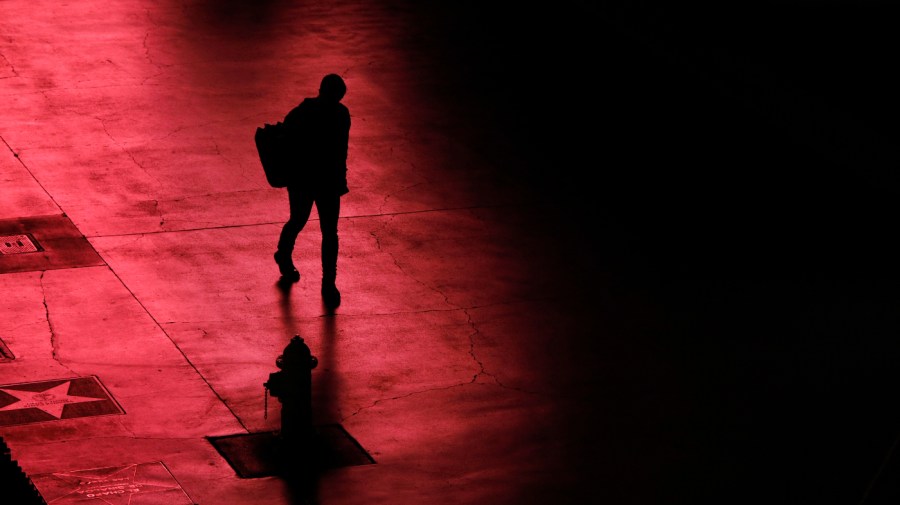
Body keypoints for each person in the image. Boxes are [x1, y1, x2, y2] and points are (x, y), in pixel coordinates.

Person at [274, 73, 350, 309]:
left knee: (298, 220)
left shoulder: (303, 111)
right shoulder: (341, 114)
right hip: (327, 182)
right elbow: (340, 152)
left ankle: (284, 254)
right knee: (329, 232)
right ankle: (328, 283)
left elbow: (283, 139)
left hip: (303, 179)